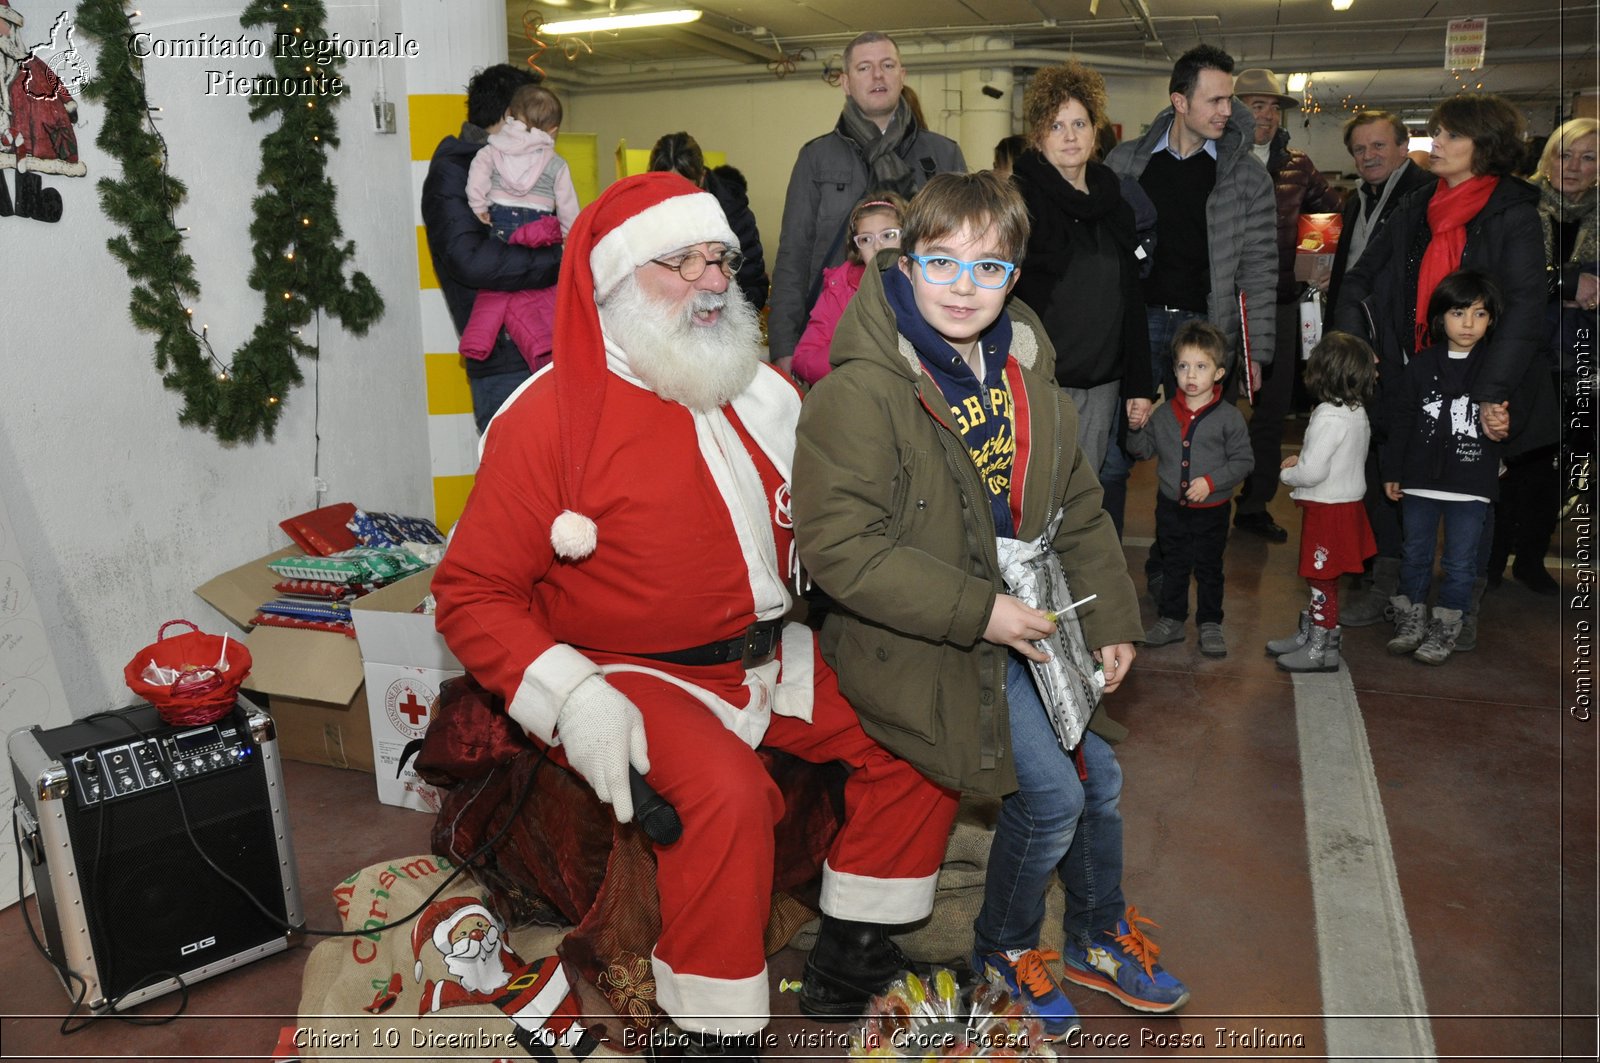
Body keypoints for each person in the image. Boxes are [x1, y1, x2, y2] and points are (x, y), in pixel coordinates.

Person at [431, 174, 962, 1059]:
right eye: (684, 263)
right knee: (727, 793)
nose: (715, 280)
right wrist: (573, 699)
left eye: (720, 258)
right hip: (631, 669)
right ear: (616, 281)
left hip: (769, 652)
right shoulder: (544, 421)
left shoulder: (762, 391)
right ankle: (711, 1028)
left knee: (924, 725)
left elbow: (831, 525)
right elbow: (470, 591)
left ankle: (851, 944)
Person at [793, 171, 1187, 1038]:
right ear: (903, 260)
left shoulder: (1022, 369)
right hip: (921, 642)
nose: (964, 288)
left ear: (1015, 276)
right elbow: (839, 551)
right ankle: (1005, 949)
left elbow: (1075, 505)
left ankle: (1090, 931)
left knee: (1102, 777)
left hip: (1023, 615)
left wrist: (1114, 618)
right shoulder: (856, 393)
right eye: (942, 263)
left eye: (989, 269)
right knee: (1051, 796)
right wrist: (983, 612)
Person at [1334, 93, 1555, 651]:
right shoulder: (1417, 204)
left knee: (1468, 498)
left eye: (1452, 135)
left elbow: (1526, 311)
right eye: (1436, 133)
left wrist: (1490, 392)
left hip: (1482, 381)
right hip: (1414, 370)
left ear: (1486, 147)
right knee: (1397, 479)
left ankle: (1462, 603)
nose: (1439, 144)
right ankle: (1394, 591)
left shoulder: (1513, 214)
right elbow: (1360, 277)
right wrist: (1360, 345)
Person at [1102, 44, 1275, 566]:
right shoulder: (1124, 163)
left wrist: (1254, 354)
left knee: (1194, 455)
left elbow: (1261, 270)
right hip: (1135, 326)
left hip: (1205, 333)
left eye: (1230, 100)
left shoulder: (1248, 178)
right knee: (1117, 449)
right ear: (1179, 100)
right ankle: (1104, 564)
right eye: (1216, 100)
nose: (1229, 111)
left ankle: (1171, 567)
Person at [768, 31, 965, 372]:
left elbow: (965, 249)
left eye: (887, 65)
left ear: (902, 75)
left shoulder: (943, 154)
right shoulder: (816, 158)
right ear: (845, 82)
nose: (877, 75)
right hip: (836, 338)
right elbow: (793, 255)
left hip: (927, 334)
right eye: (864, 68)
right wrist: (784, 347)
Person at [1010, 62, 1154, 475]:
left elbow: (1131, 299)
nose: (1070, 136)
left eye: (1079, 123)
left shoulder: (1116, 202)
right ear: (1039, 135)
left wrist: (1140, 384)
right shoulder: (1018, 203)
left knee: (1084, 494)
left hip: (1103, 381)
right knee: (1033, 489)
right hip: (1039, 379)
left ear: (1096, 131)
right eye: (1056, 126)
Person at [1324, 110, 1436, 628]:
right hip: (1361, 351)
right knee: (1364, 461)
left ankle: (1396, 579)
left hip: (1406, 354)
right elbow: (1353, 276)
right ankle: (1373, 563)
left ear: (1401, 146)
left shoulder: (1424, 195)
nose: (1368, 156)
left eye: (1378, 146)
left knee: (1396, 466)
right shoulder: (1356, 201)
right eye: (1359, 149)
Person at [1229, 69, 1343, 544]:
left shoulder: (1299, 165)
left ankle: (1255, 506)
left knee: (1271, 415)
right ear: (1234, 109)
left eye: (1274, 107)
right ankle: (1200, 501)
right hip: (1221, 305)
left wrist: (1308, 274)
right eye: (1257, 105)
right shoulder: (1216, 161)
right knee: (1207, 407)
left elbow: (1328, 211)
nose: (1268, 115)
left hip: (1279, 305)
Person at [1489, 118, 1599, 593]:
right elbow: (1502, 280)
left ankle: (1531, 557)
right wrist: (1567, 284)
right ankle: (1491, 559)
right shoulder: (1519, 205)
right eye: (1564, 153)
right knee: (1512, 464)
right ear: (1546, 157)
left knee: (1563, 468)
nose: (1573, 166)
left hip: (1584, 358)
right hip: (1524, 354)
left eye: (1588, 157)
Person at [421, 65, 562, 433]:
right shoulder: (455, 171)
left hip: (554, 347)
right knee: (516, 486)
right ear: (508, 117)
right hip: (505, 362)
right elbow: (472, 261)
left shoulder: (534, 167)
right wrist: (559, 259)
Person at [1380, 270, 1506, 665]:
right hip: (1419, 481)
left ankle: (1448, 626)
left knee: (1460, 562)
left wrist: (1505, 433)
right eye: (1458, 313)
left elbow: (1508, 421)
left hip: (1471, 484)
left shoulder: (1497, 368)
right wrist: (1391, 471)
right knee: (1414, 554)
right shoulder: (1419, 367)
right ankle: (1411, 620)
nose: (1468, 324)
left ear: (1491, 320)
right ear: (1439, 318)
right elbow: (1400, 421)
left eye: (1479, 314)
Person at [1128, 320, 1255, 658]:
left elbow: (1244, 461)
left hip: (1212, 511)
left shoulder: (1229, 418)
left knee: (1210, 567)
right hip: (1170, 507)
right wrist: (1135, 427)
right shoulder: (1164, 414)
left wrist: (1211, 482)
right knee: (1174, 563)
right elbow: (1142, 451)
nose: (1191, 375)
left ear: (1219, 373)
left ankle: (1211, 622)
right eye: (1183, 366)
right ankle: (1171, 619)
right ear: (1174, 370)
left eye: (1201, 366)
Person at [1268, 331, 1380, 672]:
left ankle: (1320, 647)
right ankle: (1314, 635)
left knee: (1320, 580)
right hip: (1345, 506)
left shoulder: (1327, 415)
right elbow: (1334, 458)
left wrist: (1288, 475)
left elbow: (1313, 472)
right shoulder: (1354, 411)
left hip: (1327, 511)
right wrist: (1302, 459)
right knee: (1323, 578)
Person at [458, 84, 578, 372]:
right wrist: (569, 237)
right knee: (541, 289)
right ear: (552, 131)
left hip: (501, 226)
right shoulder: (556, 163)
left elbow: (477, 174)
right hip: (540, 229)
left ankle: (477, 339)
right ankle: (543, 343)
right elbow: (568, 206)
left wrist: (478, 206)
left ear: (510, 116)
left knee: (497, 288)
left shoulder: (493, 149)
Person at [791, 192, 905, 385]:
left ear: (907, 237)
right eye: (866, 240)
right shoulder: (840, 289)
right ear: (857, 249)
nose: (878, 246)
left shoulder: (925, 284)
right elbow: (803, 360)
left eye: (888, 235)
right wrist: (855, 348)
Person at [648, 132, 770, 313]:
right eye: (666, 189)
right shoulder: (644, 214)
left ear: (702, 178)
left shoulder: (732, 213)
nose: (675, 199)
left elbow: (753, 286)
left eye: (684, 189)